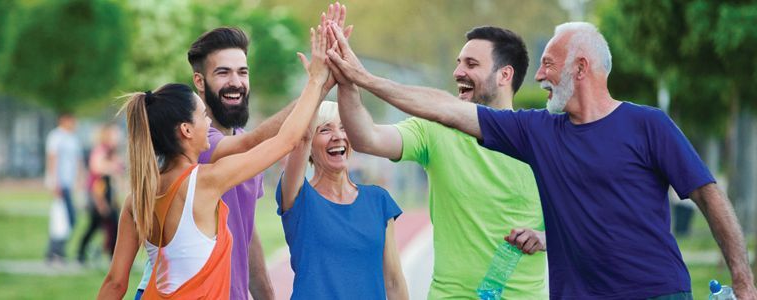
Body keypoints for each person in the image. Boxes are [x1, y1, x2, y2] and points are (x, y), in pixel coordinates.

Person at [324, 21, 757, 299]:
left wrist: (743, 280)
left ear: (581, 67)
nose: (541, 75)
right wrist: (360, 78)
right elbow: (444, 107)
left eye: (549, 63)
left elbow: (708, 195)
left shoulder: (649, 126)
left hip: (655, 291)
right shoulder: (537, 132)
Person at [97, 23, 329, 298]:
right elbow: (285, 140)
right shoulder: (207, 180)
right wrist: (317, 83)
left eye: (242, 71)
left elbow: (114, 283)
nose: (207, 121)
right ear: (186, 130)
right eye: (201, 117)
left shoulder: (137, 197)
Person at [333, 25, 546, 298]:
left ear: (504, 74)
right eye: (459, 63)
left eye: (471, 64)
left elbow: (585, 219)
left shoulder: (538, 138)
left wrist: (545, 238)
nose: (458, 72)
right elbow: (366, 138)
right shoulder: (434, 130)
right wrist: (348, 80)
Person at [276, 101, 408, 299]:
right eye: (325, 129)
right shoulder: (299, 198)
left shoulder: (379, 201)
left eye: (344, 127)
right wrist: (320, 82)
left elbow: (394, 281)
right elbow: (301, 138)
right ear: (310, 143)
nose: (337, 136)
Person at [78, 123, 123, 264]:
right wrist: (113, 167)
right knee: (96, 225)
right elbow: (96, 167)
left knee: (114, 225)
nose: (118, 137)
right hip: (98, 193)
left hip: (107, 193)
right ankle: (81, 253)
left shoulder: (111, 152)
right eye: (115, 134)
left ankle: (112, 256)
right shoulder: (101, 150)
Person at [44, 112, 82, 263]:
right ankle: (55, 252)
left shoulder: (73, 139)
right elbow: (52, 159)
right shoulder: (56, 137)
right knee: (62, 219)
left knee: (70, 219)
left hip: (70, 184)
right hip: (60, 183)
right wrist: (54, 182)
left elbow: (78, 161)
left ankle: (54, 251)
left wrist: (80, 179)